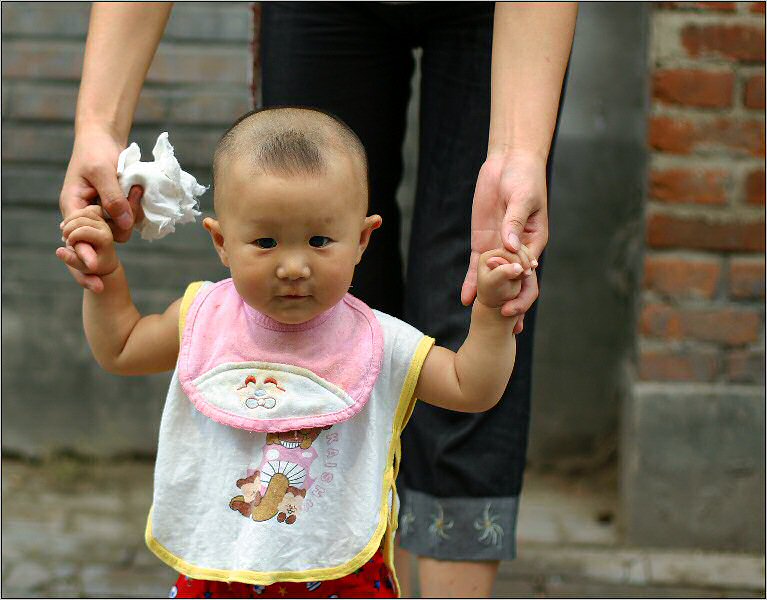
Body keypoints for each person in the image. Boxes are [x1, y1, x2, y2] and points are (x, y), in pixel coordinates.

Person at [58, 3, 576, 596]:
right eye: (266, 241)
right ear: (221, 243)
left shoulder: (378, 338)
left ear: (363, 240)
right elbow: (122, 346)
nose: (295, 265)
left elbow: (471, 388)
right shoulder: (203, 315)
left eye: (321, 241)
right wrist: (106, 279)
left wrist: (488, 313)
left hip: (341, 579)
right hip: (218, 573)